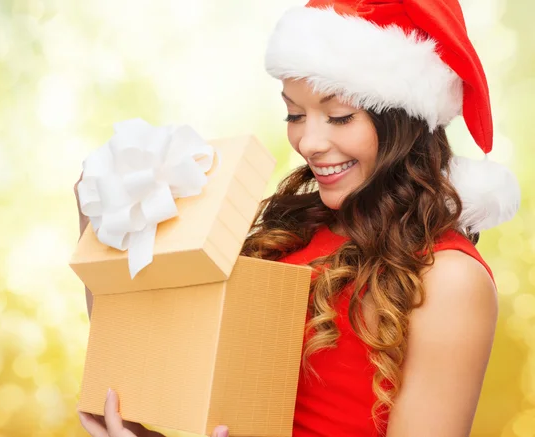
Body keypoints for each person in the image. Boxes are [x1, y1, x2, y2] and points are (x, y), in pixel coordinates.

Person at [77, 0, 520, 436]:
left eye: (340, 116)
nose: (308, 142)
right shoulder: (291, 233)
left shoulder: (448, 279)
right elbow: (160, 358)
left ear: (403, 119)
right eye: (294, 113)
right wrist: (104, 227)